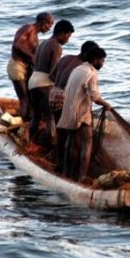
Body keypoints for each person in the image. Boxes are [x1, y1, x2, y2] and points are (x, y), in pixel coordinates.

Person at [57, 46, 111, 182]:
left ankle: (66, 172)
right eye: (102, 61)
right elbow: (94, 96)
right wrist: (106, 104)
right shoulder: (91, 73)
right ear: (95, 60)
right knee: (87, 143)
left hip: (68, 111)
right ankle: (81, 176)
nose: (102, 64)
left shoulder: (78, 69)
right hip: (81, 113)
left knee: (70, 142)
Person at [48, 40, 98, 172]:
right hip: (64, 96)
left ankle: (60, 163)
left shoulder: (66, 58)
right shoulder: (83, 67)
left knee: (61, 131)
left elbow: (51, 75)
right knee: (69, 134)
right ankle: (66, 168)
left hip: (53, 93)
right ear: (87, 54)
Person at [28, 19, 75, 145]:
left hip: (33, 80)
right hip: (44, 82)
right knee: (50, 118)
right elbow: (54, 72)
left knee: (36, 116)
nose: (67, 40)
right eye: (67, 36)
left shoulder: (43, 43)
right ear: (60, 33)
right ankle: (51, 146)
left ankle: (30, 144)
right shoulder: (56, 46)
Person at [7, 12, 54, 121]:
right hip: (17, 66)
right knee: (24, 99)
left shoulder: (36, 37)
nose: (49, 28)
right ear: (43, 22)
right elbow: (17, 44)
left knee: (32, 97)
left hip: (26, 67)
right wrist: (32, 57)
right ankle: (23, 125)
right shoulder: (28, 28)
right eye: (49, 25)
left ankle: (29, 120)